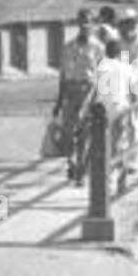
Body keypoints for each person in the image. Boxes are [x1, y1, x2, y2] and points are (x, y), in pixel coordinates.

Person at [55, 10, 104, 181]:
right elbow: (63, 75)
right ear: (77, 23)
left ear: (92, 24)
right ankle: (72, 163)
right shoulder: (68, 47)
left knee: (83, 131)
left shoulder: (98, 47)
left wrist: (101, 97)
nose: (84, 25)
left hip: (89, 91)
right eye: (82, 22)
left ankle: (81, 167)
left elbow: (103, 74)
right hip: (70, 90)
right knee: (68, 131)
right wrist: (58, 101)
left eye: (88, 22)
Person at [88, 39, 136, 192]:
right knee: (119, 144)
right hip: (120, 108)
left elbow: (96, 89)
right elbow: (133, 91)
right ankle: (120, 180)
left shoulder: (100, 67)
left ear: (106, 52)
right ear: (120, 53)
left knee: (104, 145)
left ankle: (107, 182)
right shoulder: (125, 67)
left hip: (102, 110)